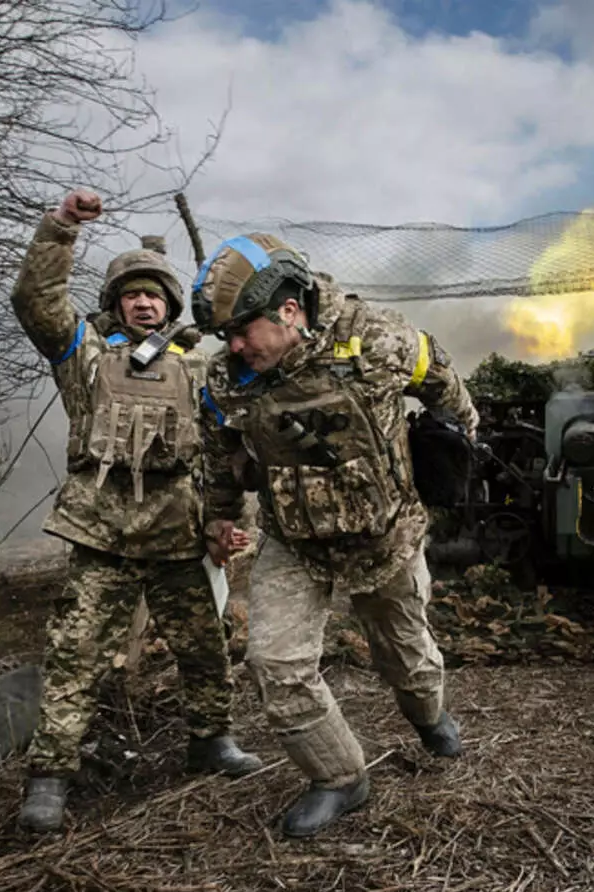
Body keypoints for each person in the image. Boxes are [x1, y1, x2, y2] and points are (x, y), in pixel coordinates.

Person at [192, 233, 480, 839]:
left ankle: (429, 716)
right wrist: (220, 517)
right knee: (275, 663)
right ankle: (340, 778)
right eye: (225, 336)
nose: (234, 346)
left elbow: (448, 390)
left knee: (408, 662)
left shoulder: (378, 339)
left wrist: (452, 447)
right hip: (295, 542)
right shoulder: (226, 380)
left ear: (289, 310)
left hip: (386, 537)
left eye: (242, 330)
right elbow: (220, 458)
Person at [9, 191, 262, 834]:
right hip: (102, 535)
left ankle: (211, 741)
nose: (144, 302)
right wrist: (59, 229)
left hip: (178, 533)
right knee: (74, 655)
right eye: (132, 294)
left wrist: (226, 520)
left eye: (154, 294)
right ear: (116, 302)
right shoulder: (84, 354)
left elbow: (224, 447)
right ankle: (50, 776)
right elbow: (37, 302)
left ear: (171, 304)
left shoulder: (200, 364)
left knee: (205, 647)